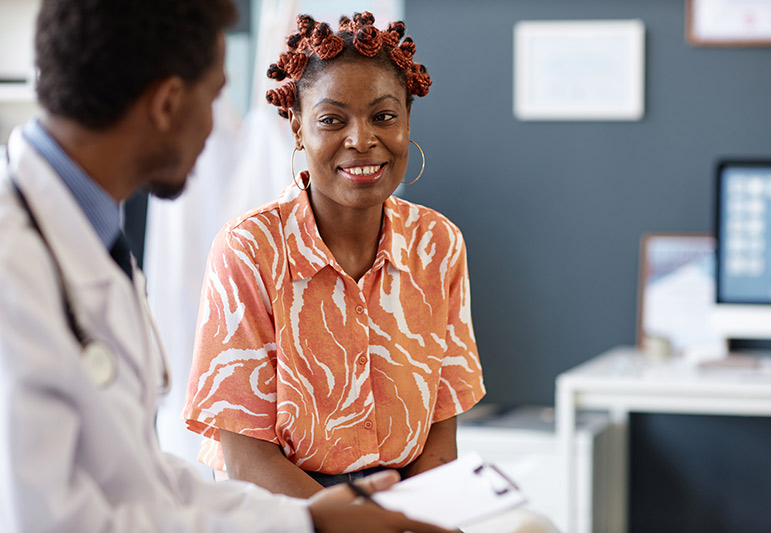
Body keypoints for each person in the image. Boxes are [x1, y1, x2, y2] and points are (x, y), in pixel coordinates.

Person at [0, 1, 454, 532]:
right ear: (169, 103)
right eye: (216, 96)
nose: (218, 129)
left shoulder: (84, 238)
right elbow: (46, 517)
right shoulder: (17, 268)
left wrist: (313, 521)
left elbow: (137, 478)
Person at [183, 12, 486, 497]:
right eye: (332, 120)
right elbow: (245, 459)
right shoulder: (249, 250)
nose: (362, 140)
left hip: (405, 499)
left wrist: (416, 517)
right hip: (283, 508)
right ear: (298, 129)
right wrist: (359, 523)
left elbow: (439, 432)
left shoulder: (439, 244)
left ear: (407, 121)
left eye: (384, 116)